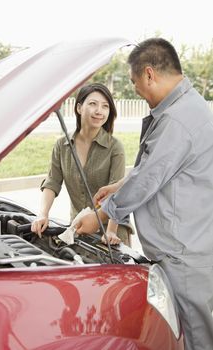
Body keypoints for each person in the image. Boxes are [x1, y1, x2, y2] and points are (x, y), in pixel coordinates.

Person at [75, 38, 213, 350]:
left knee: (194, 339)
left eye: (136, 83)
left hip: (183, 254)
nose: (136, 90)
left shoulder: (179, 119)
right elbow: (159, 167)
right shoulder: (183, 108)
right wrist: (120, 185)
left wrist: (102, 215)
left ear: (149, 74)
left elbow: (151, 177)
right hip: (184, 247)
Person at [31, 82, 133, 245]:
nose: (99, 111)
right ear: (79, 107)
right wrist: (43, 214)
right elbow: (52, 183)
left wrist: (111, 231)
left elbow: (117, 192)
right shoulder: (61, 146)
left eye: (105, 106)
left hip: (110, 232)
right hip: (79, 229)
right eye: (93, 104)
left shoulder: (115, 147)